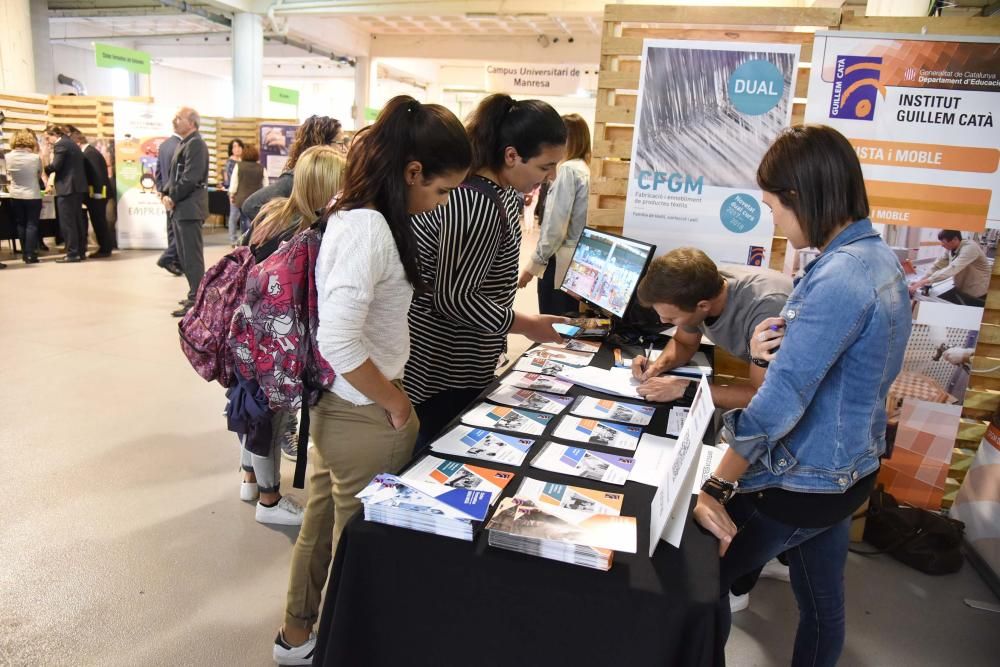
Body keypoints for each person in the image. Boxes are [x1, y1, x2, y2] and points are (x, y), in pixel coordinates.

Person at [694, 125, 910, 667]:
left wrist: (719, 484)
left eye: (773, 206)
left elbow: (783, 398)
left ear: (800, 196)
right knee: (821, 600)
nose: (773, 220)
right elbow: (843, 364)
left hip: (807, 479)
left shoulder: (841, 275)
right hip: (847, 468)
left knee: (705, 582)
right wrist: (775, 351)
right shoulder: (874, 258)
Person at [273, 96, 471, 665]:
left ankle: (298, 633)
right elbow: (338, 339)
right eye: (438, 191)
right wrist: (397, 403)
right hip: (365, 411)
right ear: (412, 172)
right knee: (359, 544)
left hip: (340, 408)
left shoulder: (353, 210)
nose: (439, 204)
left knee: (320, 525)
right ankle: (340, 644)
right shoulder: (369, 228)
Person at [404, 94, 570, 449]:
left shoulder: (504, 192)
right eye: (545, 166)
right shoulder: (475, 202)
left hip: (465, 361)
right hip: (442, 369)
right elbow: (454, 298)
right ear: (511, 155)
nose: (552, 176)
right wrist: (528, 325)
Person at [236, 145, 346, 527]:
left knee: (249, 407)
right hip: (280, 344)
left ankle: (249, 480)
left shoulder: (271, 214)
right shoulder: (311, 233)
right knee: (273, 418)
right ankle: (269, 500)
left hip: (249, 332)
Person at [629, 248, 792, 409]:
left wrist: (686, 388)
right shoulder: (694, 288)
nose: (663, 321)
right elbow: (684, 343)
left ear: (703, 306)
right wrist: (657, 366)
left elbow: (761, 396)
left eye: (672, 318)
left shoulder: (768, 311)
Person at [518, 113, 593, 315]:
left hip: (559, 262)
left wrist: (532, 267)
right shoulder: (584, 169)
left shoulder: (568, 170)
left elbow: (555, 226)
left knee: (553, 325)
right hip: (575, 262)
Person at [241, 115, 342, 226]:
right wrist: (302, 226)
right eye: (339, 143)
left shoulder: (325, 177)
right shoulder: (295, 177)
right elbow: (251, 205)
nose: (344, 149)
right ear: (322, 144)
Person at [163, 107, 209, 318]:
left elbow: (191, 177)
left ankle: (197, 300)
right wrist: (166, 193)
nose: (175, 120)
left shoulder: (196, 144)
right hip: (181, 208)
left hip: (188, 208)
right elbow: (175, 176)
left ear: (191, 123)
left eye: (179, 118)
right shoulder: (186, 143)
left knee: (192, 257)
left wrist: (172, 196)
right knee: (184, 255)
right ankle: (194, 293)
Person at [43, 124, 88, 263]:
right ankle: (80, 251)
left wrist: (45, 165)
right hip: (77, 187)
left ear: (55, 134)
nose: (47, 141)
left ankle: (72, 253)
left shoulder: (60, 145)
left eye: (47, 138)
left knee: (68, 222)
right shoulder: (71, 143)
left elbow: (55, 166)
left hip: (68, 188)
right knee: (76, 221)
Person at [909, 229, 990, 307]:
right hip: (962, 288)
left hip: (977, 292)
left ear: (955, 239)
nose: (942, 245)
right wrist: (920, 280)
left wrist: (924, 282)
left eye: (943, 242)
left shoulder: (970, 248)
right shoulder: (950, 249)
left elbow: (952, 268)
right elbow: (937, 266)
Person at [70, 129, 114, 258]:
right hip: (95, 193)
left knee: (99, 222)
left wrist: (97, 192)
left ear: (77, 142)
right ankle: (105, 247)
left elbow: (98, 175)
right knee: (98, 221)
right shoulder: (89, 152)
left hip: (98, 194)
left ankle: (105, 248)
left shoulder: (90, 153)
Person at [5, 130, 45, 264]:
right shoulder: (35, 158)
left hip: (15, 194)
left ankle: (24, 254)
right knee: (32, 225)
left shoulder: (8, 157)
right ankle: (30, 254)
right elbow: (39, 176)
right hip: (32, 194)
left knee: (20, 224)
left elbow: (7, 175)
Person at [155, 131, 183, 276]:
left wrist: (161, 191)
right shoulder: (182, 146)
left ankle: (175, 261)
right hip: (179, 195)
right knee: (181, 230)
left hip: (166, 194)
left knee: (172, 229)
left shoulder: (164, 145)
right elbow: (179, 174)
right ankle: (169, 257)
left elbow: (158, 171)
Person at [222, 138, 245, 245]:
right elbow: (229, 179)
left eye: (239, 146)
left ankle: (242, 238)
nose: (237, 149)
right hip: (234, 191)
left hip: (244, 191)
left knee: (243, 215)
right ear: (231, 149)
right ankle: (233, 239)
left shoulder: (244, 160)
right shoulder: (230, 162)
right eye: (234, 146)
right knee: (234, 215)